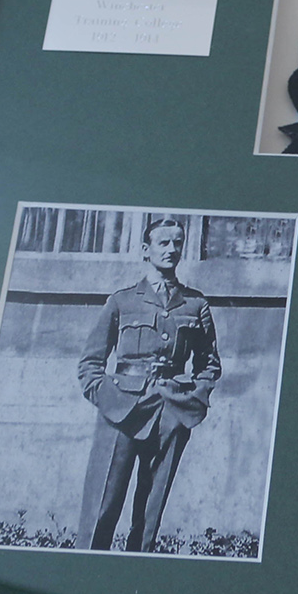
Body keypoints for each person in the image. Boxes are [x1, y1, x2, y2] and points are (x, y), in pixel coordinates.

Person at [76, 218, 222, 552]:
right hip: (121, 411)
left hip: (170, 410)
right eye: (163, 243)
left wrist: (193, 403)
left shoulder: (195, 305)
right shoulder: (122, 301)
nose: (171, 249)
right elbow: (90, 364)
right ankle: (87, 564)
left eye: (177, 243)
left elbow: (209, 363)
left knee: (151, 508)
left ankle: (137, 564)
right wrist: (108, 399)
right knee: (103, 502)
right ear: (146, 250)